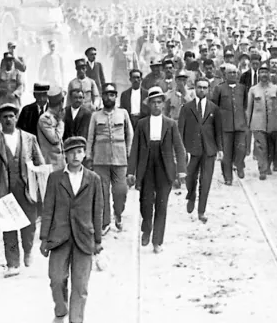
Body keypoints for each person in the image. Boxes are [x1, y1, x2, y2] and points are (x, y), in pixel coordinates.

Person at [40, 136, 103, 323]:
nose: (75, 156)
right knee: (56, 278)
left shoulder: (94, 179)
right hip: (59, 237)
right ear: (65, 155)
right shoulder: (55, 178)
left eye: (79, 152)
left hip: (84, 237)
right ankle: (60, 309)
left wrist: (98, 240)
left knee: (80, 284)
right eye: (71, 152)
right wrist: (44, 237)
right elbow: (48, 209)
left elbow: (98, 211)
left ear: (84, 154)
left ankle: (76, 319)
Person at [0, 103, 45, 276]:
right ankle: (12, 263)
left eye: (11, 116)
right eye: (4, 117)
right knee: (8, 227)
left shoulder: (29, 138)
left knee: (29, 224)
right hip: (5, 190)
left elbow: (40, 163)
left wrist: (40, 182)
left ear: (16, 118)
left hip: (27, 189)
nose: (8, 120)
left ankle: (27, 250)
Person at [127, 87, 187, 253]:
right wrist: (131, 171)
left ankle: (157, 241)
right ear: (148, 105)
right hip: (146, 166)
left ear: (163, 104)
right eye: (153, 102)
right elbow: (135, 149)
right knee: (145, 203)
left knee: (162, 204)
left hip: (164, 166)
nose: (156, 105)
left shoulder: (170, 124)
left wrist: (181, 169)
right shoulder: (141, 124)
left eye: (159, 102)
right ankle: (146, 228)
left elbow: (179, 148)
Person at [86, 82, 133, 233]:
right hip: (100, 160)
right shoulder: (95, 116)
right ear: (102, 97)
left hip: (120, 159)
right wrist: (88, 157)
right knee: (102, 192)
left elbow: (130, 135)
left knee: (121, 190)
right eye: (106, 94)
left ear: (116, 97)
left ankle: (118, 214)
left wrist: (130, 155)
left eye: (112, 94)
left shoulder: (123, 114)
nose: (109, 97)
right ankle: (105, 222)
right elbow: (90, 137)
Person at [179, 76, 221, 223]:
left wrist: (219, 149)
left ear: (208, 90)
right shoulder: (186, 108)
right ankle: (191, 196)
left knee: (206, 180)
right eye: (199, 87)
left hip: (209, 150)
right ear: (195, 89)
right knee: (190, 178)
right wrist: (182, 150)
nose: (202, 90)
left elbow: (218, 130)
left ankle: (201, 211)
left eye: (204, 87)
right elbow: (180, 130)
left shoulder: (214, 108)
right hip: (192, 149)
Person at [247, 64, 277, 180]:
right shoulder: (253, 90)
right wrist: (248, 123)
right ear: (259, 74)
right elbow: (249, 108)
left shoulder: (275, 89)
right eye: (262, 72)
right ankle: (262, 170)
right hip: (257, 123)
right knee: (261, 146)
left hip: (273, 123)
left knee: (271, 147)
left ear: (269, 74)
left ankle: (269, 165)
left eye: (266, 72)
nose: (264, 75)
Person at [210, 64, 249, 185]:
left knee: (241, 148)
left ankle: (239, 165)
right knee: (226, 153)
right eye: (230, 73)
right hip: (225, 125)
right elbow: (214, 106)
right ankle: (228, 177)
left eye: (234, 72)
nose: (232, 75)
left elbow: (245, 104)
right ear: (225, 75)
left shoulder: (242, 88)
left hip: (240, 124)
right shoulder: (219, 88)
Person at [38, 88, 66, 171]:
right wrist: (60, 121)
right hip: (50, 164)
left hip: (59, 163)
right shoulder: (45, 119)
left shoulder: (55, 117)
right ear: (61, 103)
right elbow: (55, 139)